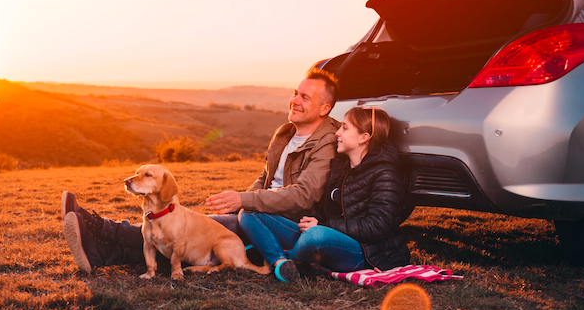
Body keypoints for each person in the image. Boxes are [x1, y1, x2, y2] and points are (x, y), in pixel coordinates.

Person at [62, 68, 342, 274]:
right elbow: (266, 178)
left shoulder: (326, 143)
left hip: (284, 222)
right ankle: (103, 247)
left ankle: (102, 233)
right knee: (183, 230)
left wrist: (244, 202)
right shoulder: (286, 133)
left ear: (324, 108)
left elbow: (304, 195)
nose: (295, 100)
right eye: (295, 93)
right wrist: (245, 199)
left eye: (305, 98)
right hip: (257, 213)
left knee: (186, 231)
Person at [238, 106, 411, 283]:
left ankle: (270, 252)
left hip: (365, 252)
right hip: (327, 236)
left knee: (316, 236)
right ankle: (281, 262)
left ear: (364, 137)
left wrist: (323, 225)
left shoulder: (385, 173)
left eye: (344, 128)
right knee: (249, 212)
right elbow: (327, 211)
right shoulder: (341, 167)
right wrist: (312, 221)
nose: (337, 133)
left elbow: (377, 226)